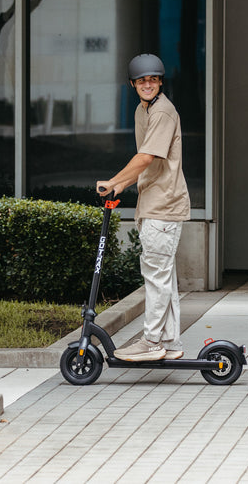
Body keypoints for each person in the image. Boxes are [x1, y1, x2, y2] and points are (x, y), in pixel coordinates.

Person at [97, 54, 191, 362]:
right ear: (133, 85)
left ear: (160, 82)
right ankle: (171, 342)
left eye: (152, 80)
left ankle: (151, 341)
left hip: (163, 206)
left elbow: (146, 157)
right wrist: (123, 185)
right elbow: (147, 161)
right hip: (154, 202)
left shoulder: (162, 111)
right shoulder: (143, 110)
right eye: (141, 81)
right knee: (164, 276)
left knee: (156, 276)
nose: (147, 85)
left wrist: (113, 180)